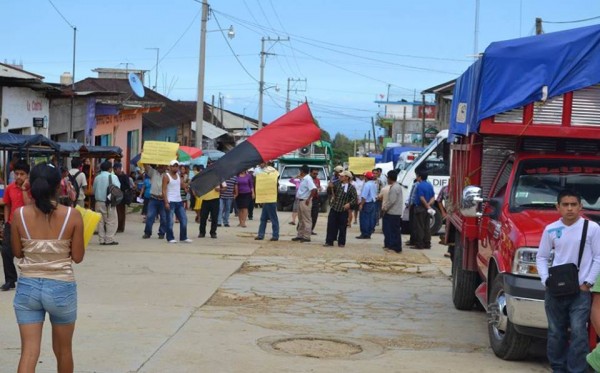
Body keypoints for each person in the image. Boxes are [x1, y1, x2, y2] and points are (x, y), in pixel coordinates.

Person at [11, 163, 84, 373]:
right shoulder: (72, 216)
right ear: (58, 187)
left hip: (28, 287)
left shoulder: (19, 215)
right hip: (61, 287)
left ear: (31, 185)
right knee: (63, 351)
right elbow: (77, 257)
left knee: (29, 352)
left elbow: (17, 252)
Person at [535, 189, 600, 373]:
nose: (569, 208)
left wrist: (588, 283)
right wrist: (546, 280)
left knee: (579, 332)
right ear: (558, 207)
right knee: (556, 332)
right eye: (565, 205)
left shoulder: (592, 228)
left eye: (573, 204)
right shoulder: (551, 229)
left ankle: (576, 369)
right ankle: (558, 368)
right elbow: (541, 257)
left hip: (580, 291)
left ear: (580, 206)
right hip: (555, 290)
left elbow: (599, 257)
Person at [1, 159, 32, 291]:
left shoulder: (32, 188)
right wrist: (6, 222)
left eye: (22, 174)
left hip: (27, 225)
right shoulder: (9, 188)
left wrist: (25, 188)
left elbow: (29, 205)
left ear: (27, 175)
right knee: (6, 251)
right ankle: (10, 279)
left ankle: (29, 279)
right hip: (11, 224)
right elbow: (8, 205)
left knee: (27, 253)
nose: (18, 176)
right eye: (16, 173)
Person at [324, 171, 357, 248]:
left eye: (342, 176)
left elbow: (354, 199)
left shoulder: (351, 188)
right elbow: (329, 193)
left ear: (347, 177)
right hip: (334, 207)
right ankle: (329, 241)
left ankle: (341, 242)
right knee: (331, 225)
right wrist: (329, 187)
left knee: (342, 227)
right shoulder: (336, 184)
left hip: (343, 210)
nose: (340, 177)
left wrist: (349, 204)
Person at [163, 160, 192, 243]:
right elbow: (164, 190)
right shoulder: (166, 176)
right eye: (174, 166)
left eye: (177, 166)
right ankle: (170, 237)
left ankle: (183, 237)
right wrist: (166, 202)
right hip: (170, 201)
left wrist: (189, 182)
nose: (175, 168)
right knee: (170, 221)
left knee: (184, 219)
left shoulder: (179, 176)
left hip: (179, 201)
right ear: (170, 167)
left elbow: (183, 185)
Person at [93, 160, 120, 245]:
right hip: (109, 202)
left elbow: (94, 189)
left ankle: (101, 239)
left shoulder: (97, 177)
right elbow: (117, 188)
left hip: (98, 202)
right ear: (110, 168)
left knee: (100, 221)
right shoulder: (113, 177)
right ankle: (109, 239)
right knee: (111, 221)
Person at [254, 164, 280, 241]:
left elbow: (276, 182)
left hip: (271, 197)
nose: (261, 164)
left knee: (273, 218)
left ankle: (275, 235)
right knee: (263, 218)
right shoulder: (258, 170)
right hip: (265, 197)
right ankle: (261, 235)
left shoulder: (272, 170)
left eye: (263, 162)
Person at [291, 165, 316, 243]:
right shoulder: (304, 179)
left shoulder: (308, 179)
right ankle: (300, 235)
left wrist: (309, 199)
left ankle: (306, 236)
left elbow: (313, 189)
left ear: (302, 171)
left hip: (305, 200)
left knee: (306, 219)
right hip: (301, 200)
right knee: (301, 219)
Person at [142, 164, 167, 240]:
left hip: (163, 199)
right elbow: (146, 166)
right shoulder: (153, 172)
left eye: (163, 166)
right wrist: (145, 155)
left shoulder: (167, 175)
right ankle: (147, 233)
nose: (162, 167)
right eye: (161, 166)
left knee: (164, 218)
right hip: (153, 198)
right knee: (150, 216)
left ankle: (162, 233)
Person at [381, 170, 403, 253]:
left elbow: (391, 201)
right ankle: (391, 245)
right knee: (392, 230)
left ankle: (395, 247)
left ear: (389, 178)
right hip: (394, 212)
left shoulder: (394, 188)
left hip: (393, 212)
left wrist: (384, 208)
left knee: (394, 231)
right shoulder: (396, 186)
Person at [413, 171, 435, 249]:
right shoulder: (430, 185)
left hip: (420, 208)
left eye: (417, 176)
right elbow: (433, 197)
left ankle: (420, 244)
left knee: (419, 226)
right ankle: (427, 243)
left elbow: (421, 198)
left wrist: (426, 206)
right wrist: (429, 206)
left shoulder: (419, 186)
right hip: (427, 209)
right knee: (427, 226)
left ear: (420, 177)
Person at [356, 171, 378, 239]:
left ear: (366, 177)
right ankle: (369, 233)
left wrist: (361, 204)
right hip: (373, 203)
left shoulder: (366, 185)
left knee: (364, 219)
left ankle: (364, 233)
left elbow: (364, 196)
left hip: (367, 203)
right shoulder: (374, 184)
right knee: (371, 219)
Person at [114, 162, 131, 233]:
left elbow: (127, 186)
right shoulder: (114, 176)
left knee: (121, 212)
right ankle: (116, 226)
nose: (116, 170)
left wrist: (120, 188)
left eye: (117, 169)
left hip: (122, 196)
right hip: (115, 196)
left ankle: (120, 227)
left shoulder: (124, 176)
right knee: (116, 212)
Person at [310, 167, 321, 235]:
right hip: (309, 198)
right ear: (311, 173)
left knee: (314, 215)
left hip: (315, 199)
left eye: (317, 174)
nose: (315, 175)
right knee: (307, 215)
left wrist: (319, 189)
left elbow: (318, 188)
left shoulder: (317, 180)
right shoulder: (308, 179)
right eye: (314, 173)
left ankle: (311, 229)